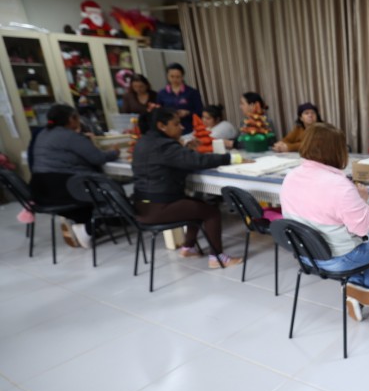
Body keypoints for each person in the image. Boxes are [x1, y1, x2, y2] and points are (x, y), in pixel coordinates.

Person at [280, 123, 369, 322]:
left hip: (304, 255)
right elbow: (364, 228)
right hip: (336, 260)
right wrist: (362, 199)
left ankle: (355, 288)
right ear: (337, 150)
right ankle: (358, 288)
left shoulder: (290, 177)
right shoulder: (339, 185)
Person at [132, 107, 244, 268]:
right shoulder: (164, 146)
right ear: (162, 126)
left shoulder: (144, 141)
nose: (182, 127)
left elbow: (174, 160)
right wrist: (231, 158)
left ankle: (188, 248)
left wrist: (184, 150)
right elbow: (197, 161)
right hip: (158, 207)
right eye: (176, 124)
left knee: (198, 205)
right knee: (211, 212)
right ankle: (217, 258)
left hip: (142, 205)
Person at [29, 104, 119, 249]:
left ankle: (82, 225)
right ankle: (88, 229)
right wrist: (115, 152)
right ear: (72, 119)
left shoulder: (43, 134)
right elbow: (97, 158)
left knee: (100, 188)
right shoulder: (70, 136)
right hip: (64, 189)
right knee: (112, 191)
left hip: (41, 189)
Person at [155, 63, 203, 135]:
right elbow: (158, 112)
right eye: (172, 76)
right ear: (167, 76)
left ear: (182, 77)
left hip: (189, 129)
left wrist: (188, 113)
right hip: (170, 130)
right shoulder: (162, 93)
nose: (175, 79)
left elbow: (200, 112)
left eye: (178, 77)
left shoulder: (192, 92)